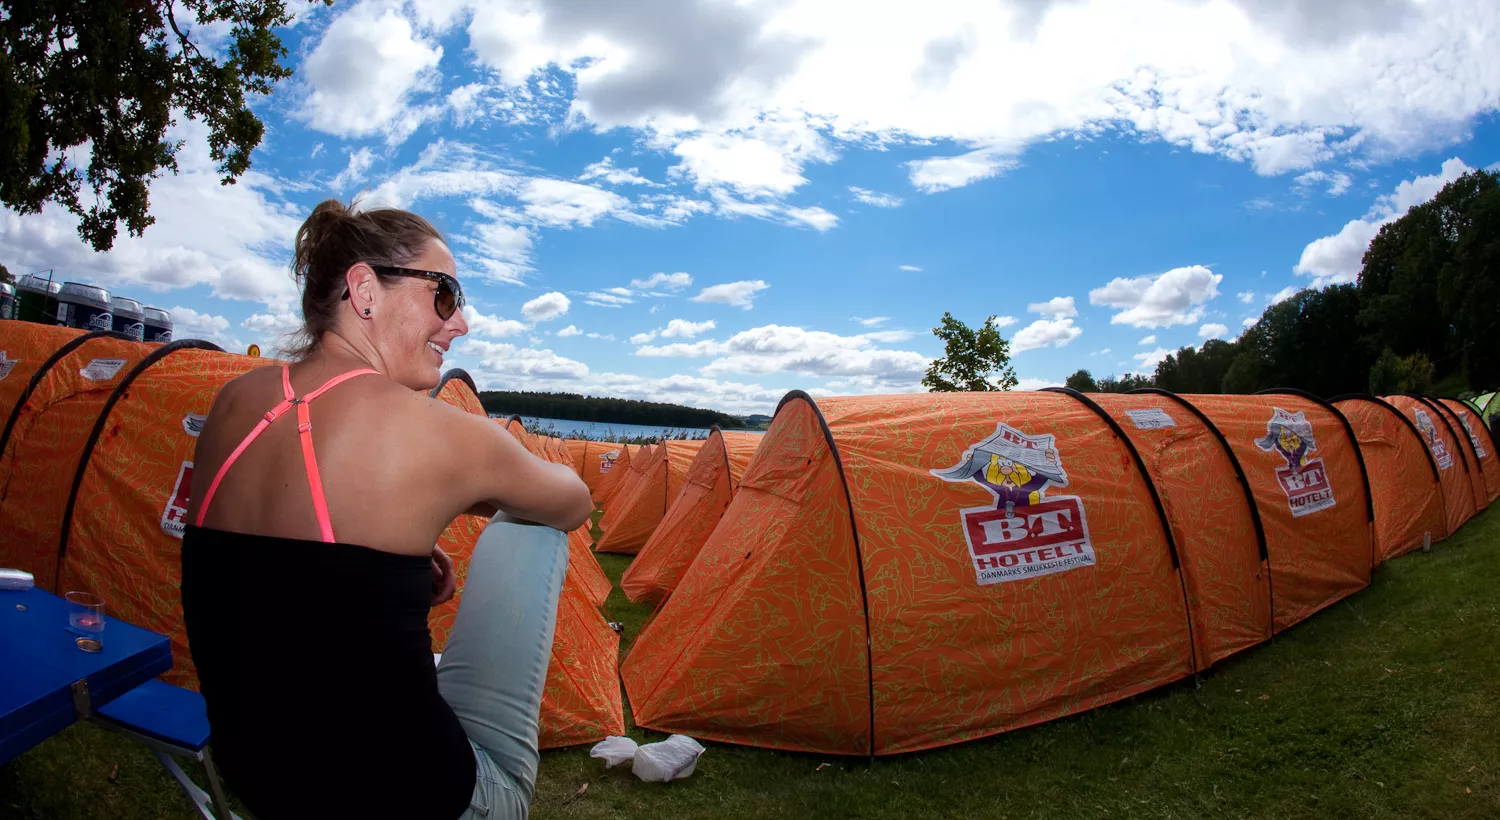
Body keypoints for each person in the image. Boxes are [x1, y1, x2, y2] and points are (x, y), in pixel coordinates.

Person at [181, 199, 593, 820]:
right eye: (446, 294)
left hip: (264, 783)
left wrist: (396, 550)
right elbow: (574, 502)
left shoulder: (233, 401)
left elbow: (283, 565)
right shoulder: (440, 431)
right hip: (413, 798)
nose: (461, 324)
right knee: (530, 525)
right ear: (366, 290)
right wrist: (482, 490)